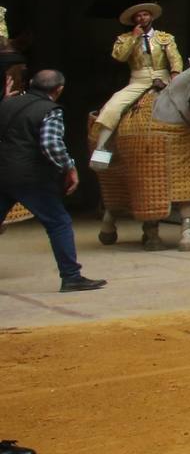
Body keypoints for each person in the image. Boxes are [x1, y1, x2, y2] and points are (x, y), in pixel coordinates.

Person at [0, 67, 107, 294]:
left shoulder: (6, 103)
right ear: (59, 90)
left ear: (31, 83)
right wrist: (69, 166)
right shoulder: (50, 110)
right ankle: (71, 277)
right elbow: (51, 144)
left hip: (3, 172)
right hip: (31, 177)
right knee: (59, 222)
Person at [89, 3, 184, 167]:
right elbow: (120, 57)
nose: (142, 18)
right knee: (113, 106)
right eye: (138, 16)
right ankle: (101, 148)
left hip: (163, 78)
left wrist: (175, 74)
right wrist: (134, 37)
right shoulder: (124, 39)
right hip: (138, 80)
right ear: (134, 20)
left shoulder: (165, 37)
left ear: (151, 17)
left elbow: (175, 57)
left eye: (145, 14)